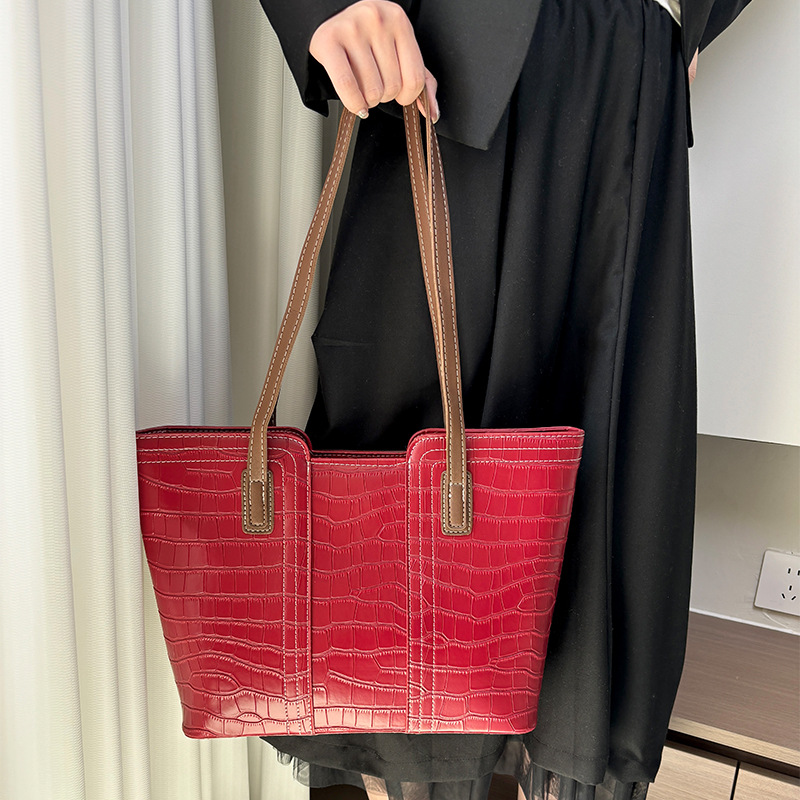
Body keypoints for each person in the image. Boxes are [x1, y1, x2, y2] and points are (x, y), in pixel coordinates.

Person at [256, 2, 754, 798]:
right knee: (421, 510)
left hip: (631, 82)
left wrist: (685, 16)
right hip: (449, 66)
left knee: (605, 496)